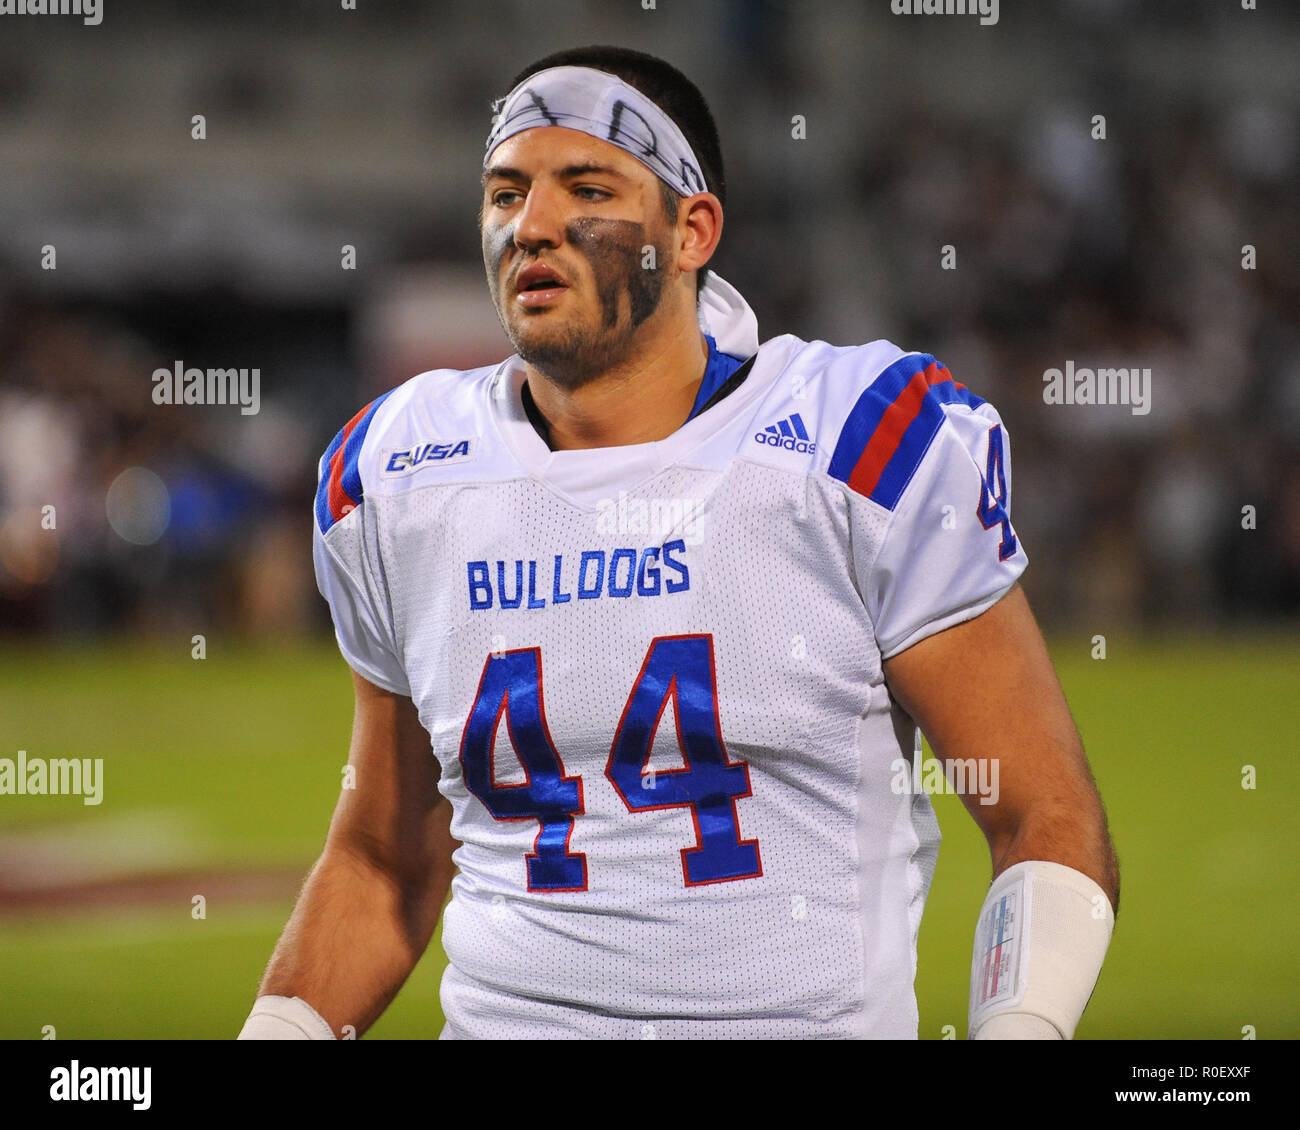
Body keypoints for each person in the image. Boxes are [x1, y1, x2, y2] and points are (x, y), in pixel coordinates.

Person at [239, 45, 1118, 1041]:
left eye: (586, 187)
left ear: (690, 228)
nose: (530, 225)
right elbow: (383, 860)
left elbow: (1039, 817)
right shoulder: (401, 471)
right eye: (504, 191)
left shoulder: (854, 439)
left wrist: (1023, 1024)